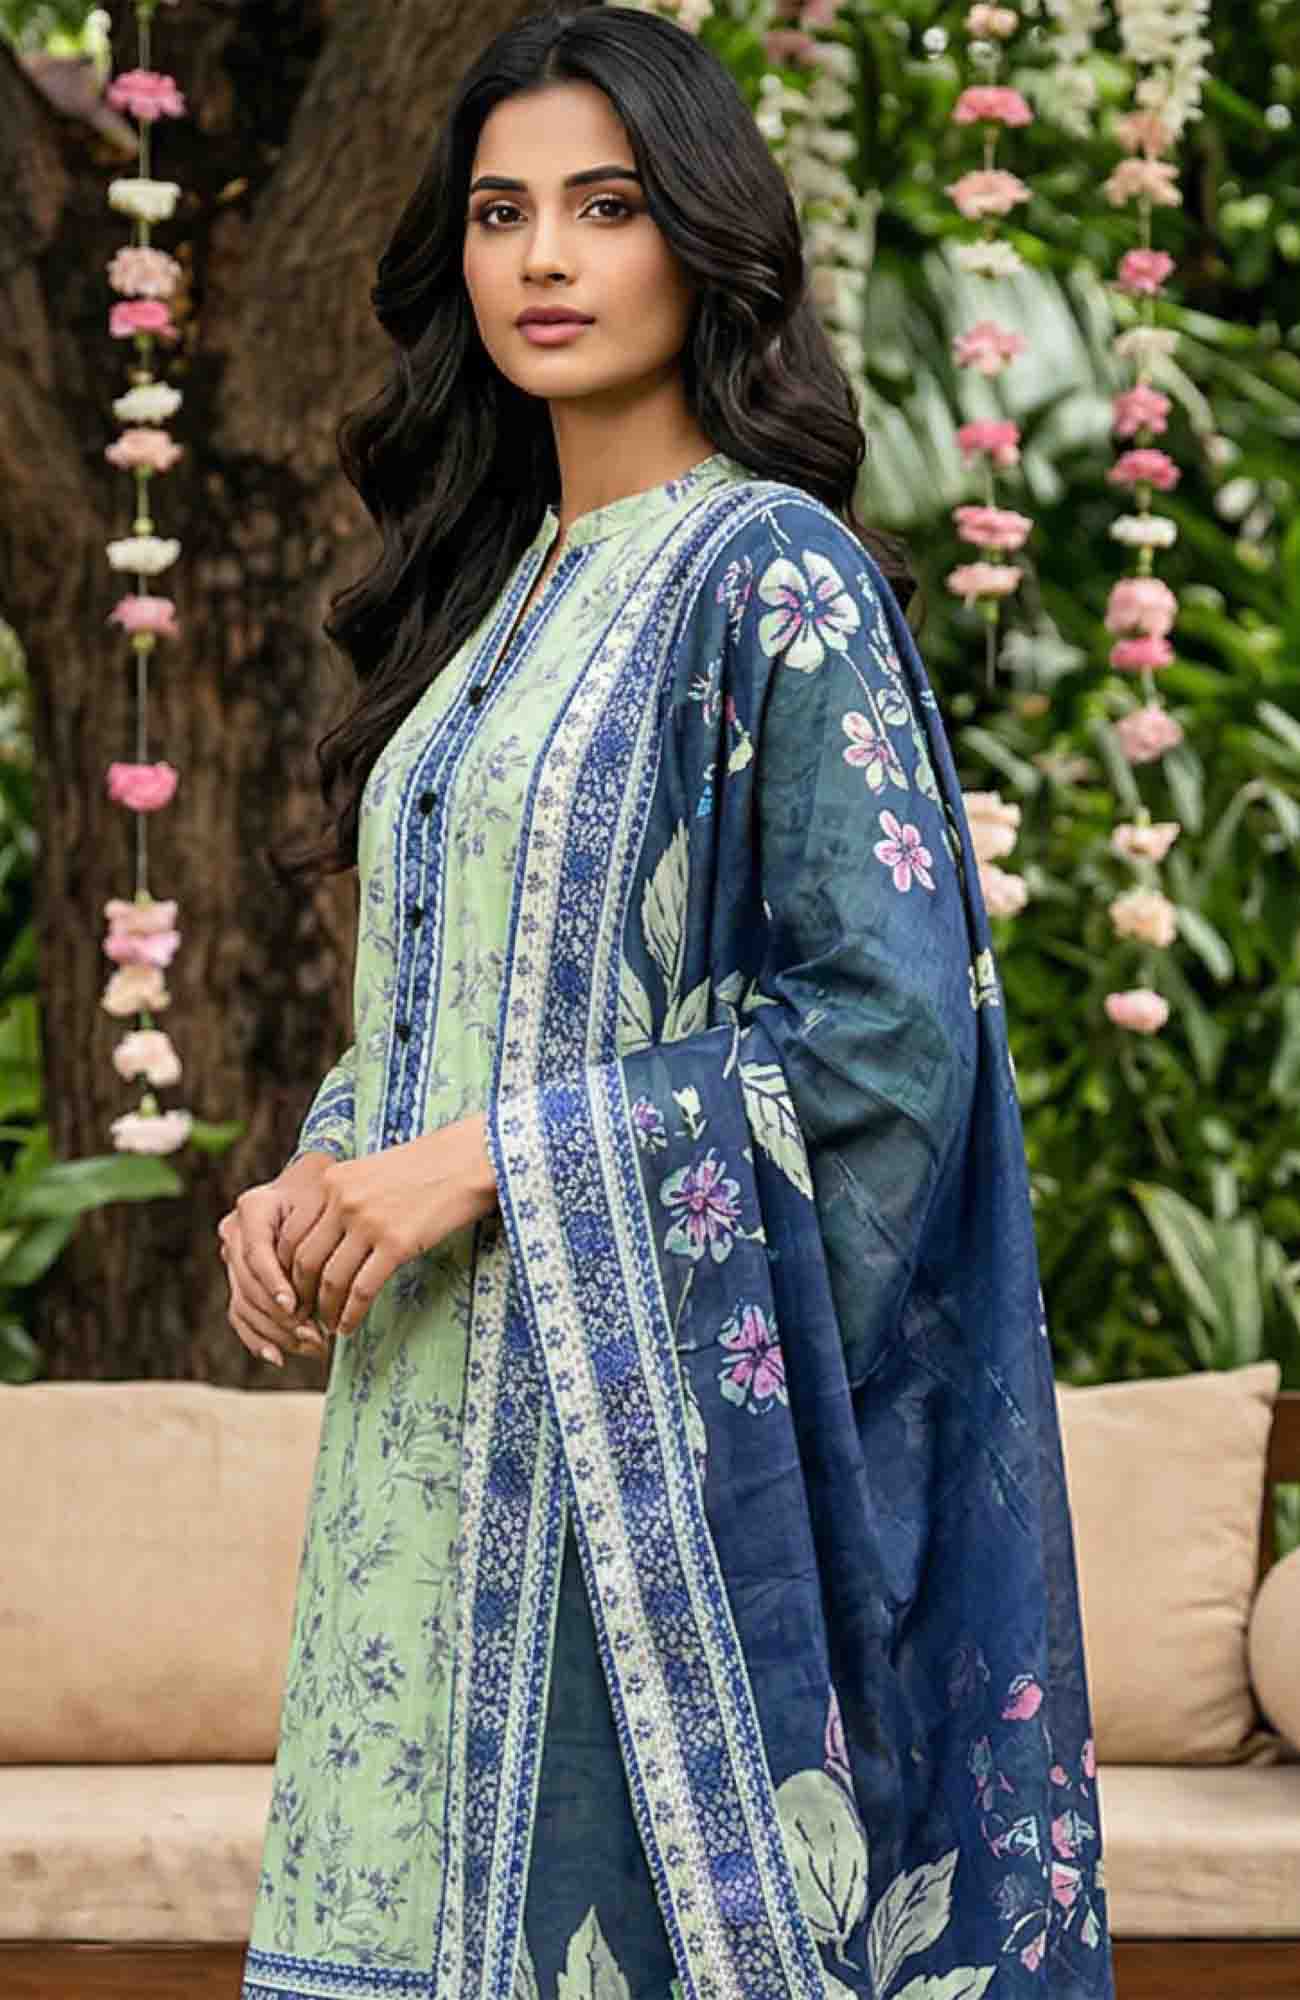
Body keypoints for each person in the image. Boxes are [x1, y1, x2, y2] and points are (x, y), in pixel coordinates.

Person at [220, 8, 1114, 1998]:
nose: (542, 258)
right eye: (499, 213)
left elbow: (887, 1037)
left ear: (702, 241)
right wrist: (317, 1180)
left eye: (604, 207)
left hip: (632, 1497)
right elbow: (441, 1000)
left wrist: (481, 1166)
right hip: (418, 1460)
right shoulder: (490, 597)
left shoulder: (771, 575)